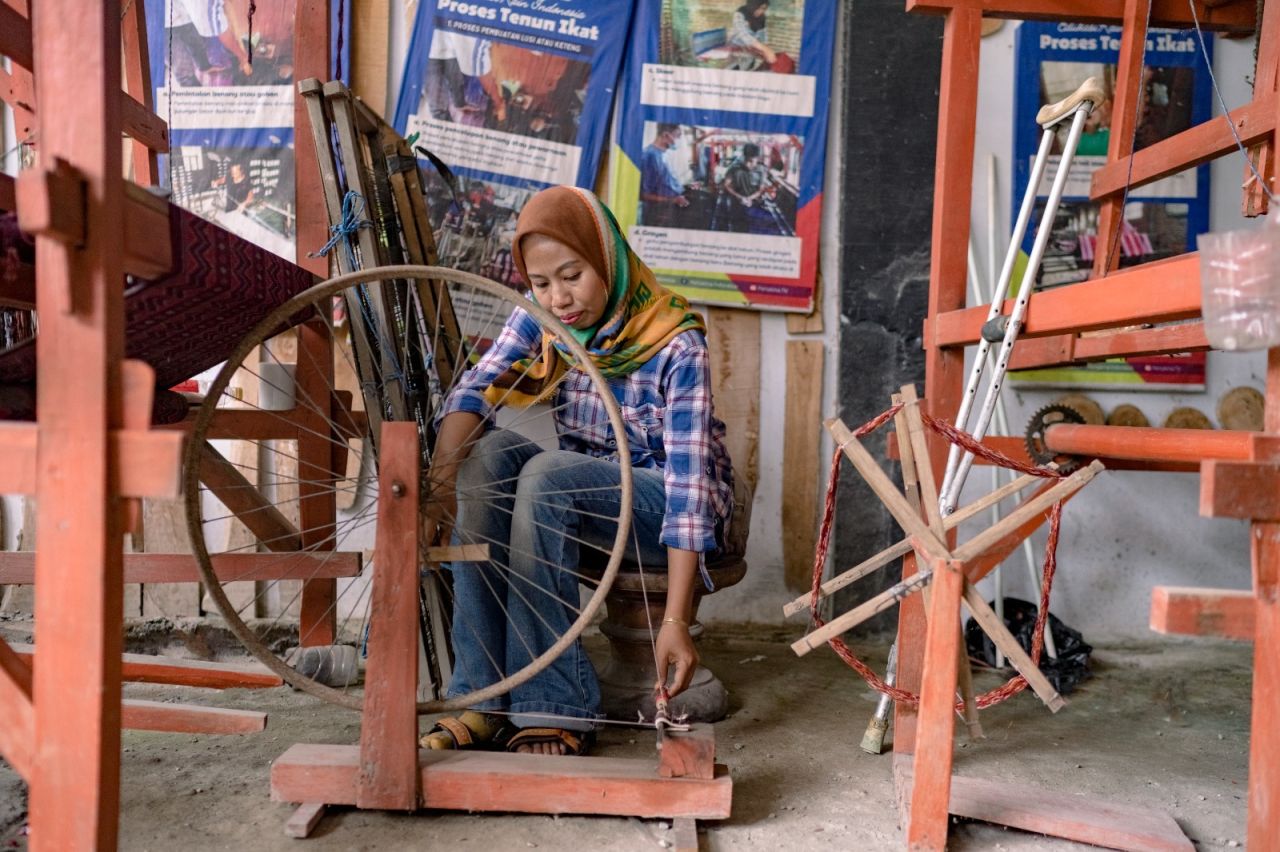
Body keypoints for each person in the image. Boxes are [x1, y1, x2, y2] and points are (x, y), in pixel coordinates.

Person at [420, 186, 735, 756]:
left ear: (606, 260)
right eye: (542, 284)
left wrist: (678, 621)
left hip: (662, 500)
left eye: (573, 275)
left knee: (545, 476)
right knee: (485, 461)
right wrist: (441, 486)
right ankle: (482, 696)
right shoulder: (543, 319)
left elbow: (689, 495)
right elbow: (471, 390)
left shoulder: (677, 344)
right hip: (584, 490)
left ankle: (553, 704)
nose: (559, 298)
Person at [640, 123, 690, 227]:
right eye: (678, 136)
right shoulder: (649, 156)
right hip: (657, 216)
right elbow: (643, 195)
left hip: (669, 211)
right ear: (666, 136)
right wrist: (673, 200)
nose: (680, 140)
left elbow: (665, 182)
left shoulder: (664, 154)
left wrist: (683, 188)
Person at [727, 0, 776, 71]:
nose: (761, 11)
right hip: (735, 53)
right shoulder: (740, 14)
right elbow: (744, 35)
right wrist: (765, 49)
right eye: (760, 8)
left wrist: (764, 52)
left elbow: (763, 37)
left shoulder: (761, 18)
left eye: (764, 9)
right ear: (753, 5)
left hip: (749, 55)